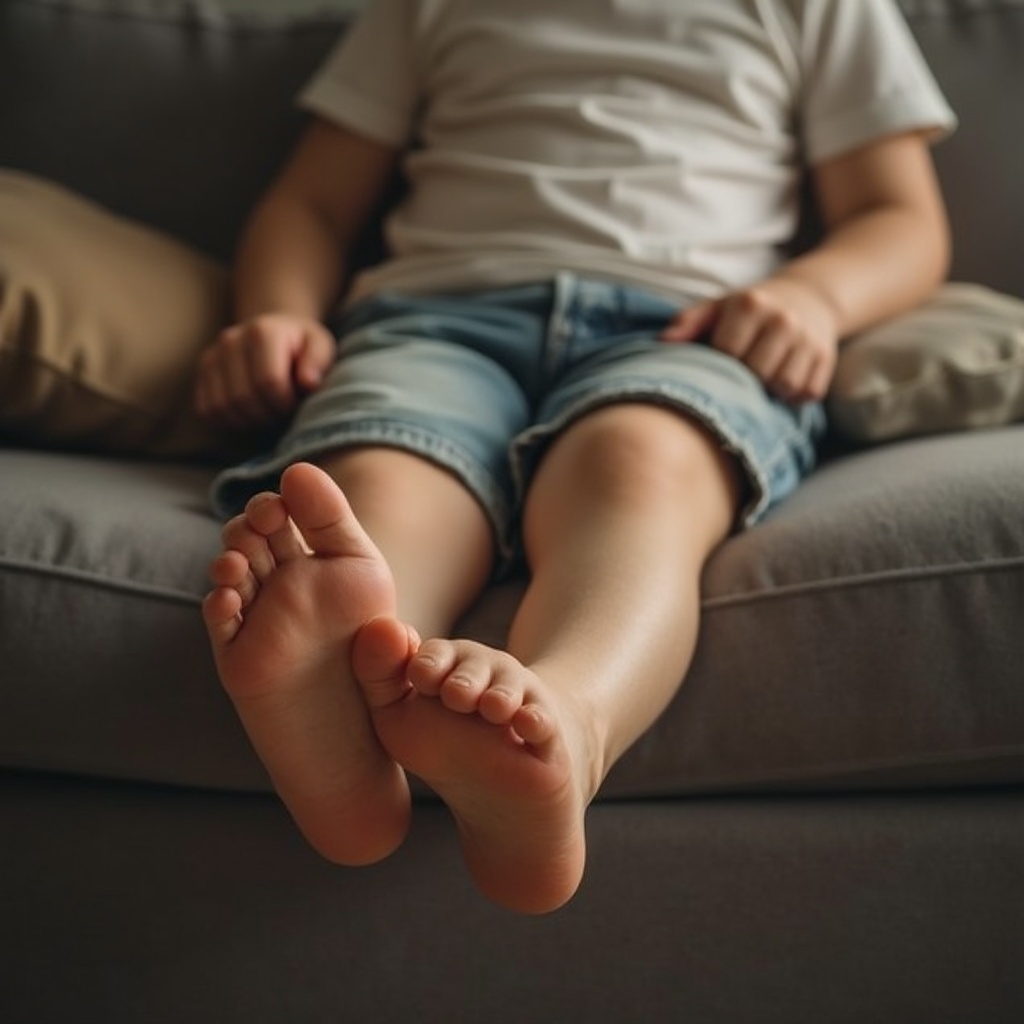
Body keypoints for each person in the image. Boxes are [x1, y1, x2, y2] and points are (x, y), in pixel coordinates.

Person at [196, 0, 955, 914]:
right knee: (379, 483)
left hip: (688, 328)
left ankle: (570, 722)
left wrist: (814, 297)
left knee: (640, 465)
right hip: (436, 319)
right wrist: (277, 311)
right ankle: (340, 729)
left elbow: (899, 214)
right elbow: (312, 202)